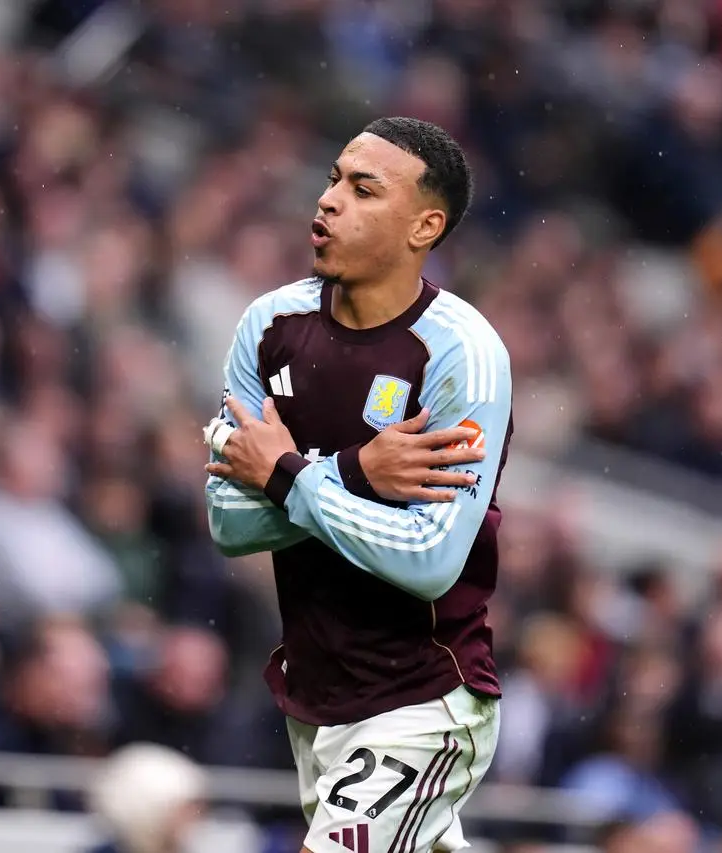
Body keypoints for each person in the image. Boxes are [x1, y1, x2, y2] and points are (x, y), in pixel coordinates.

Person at [202, 116, 512, 853]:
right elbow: (227, 521)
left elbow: (429, 561)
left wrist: (288, 472)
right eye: (334, 177)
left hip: (424, 694)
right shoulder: (268, 325)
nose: (330, 199)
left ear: (423, 226)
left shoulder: (462, 356)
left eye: (363, 189)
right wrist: (352, 471)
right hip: (317, 693)